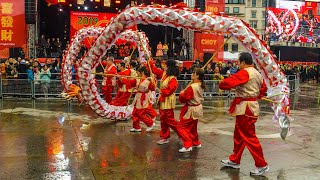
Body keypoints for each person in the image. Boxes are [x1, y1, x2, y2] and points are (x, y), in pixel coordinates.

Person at [219, 52, 269, 176]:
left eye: (238, 62)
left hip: (246, 108)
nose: (238, 64)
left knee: (249, 137)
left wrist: (223, 82)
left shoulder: (245, 72)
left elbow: (227, 83)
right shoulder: (257, 73)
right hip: (249, 106)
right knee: (239, 135)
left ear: (243, 62)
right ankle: (235, 160)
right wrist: (258, 95)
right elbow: (263, 89)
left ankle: (261, 164)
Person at [148, 59, 179, 145]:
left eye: (165, 65)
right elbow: (154, 70)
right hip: (163, 99)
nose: (163, 66)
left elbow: (169, 90)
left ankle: (182, 132)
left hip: (168, 99)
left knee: (169, 120)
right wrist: (148, 61)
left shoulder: (172, 78)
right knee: (163, 119)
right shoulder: (164, 74)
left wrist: (159, 90)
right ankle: (165, 136)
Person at [176, 68, 205, 152]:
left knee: (180, 127)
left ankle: (188, 145)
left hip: (191, 109)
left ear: (197, 76)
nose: (192, 74)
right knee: (193, 128)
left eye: (193, 73)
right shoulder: (200, 84)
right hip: (197, 108)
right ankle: (196, 142)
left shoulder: (192, 86)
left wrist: (182, 94)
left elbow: (184, 98)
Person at [121, 66, 157, 132]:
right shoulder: (137, 79)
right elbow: (130, 83)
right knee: (135, 112)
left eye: (138, 73)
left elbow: (153, 88)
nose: (137, 74)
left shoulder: (148, 80)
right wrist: (122, 79)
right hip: (138, 96)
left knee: (140, 113)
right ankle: (136, 127)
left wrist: (152, 81)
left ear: (142, 73)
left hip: (144, 97)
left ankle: (150, 123)